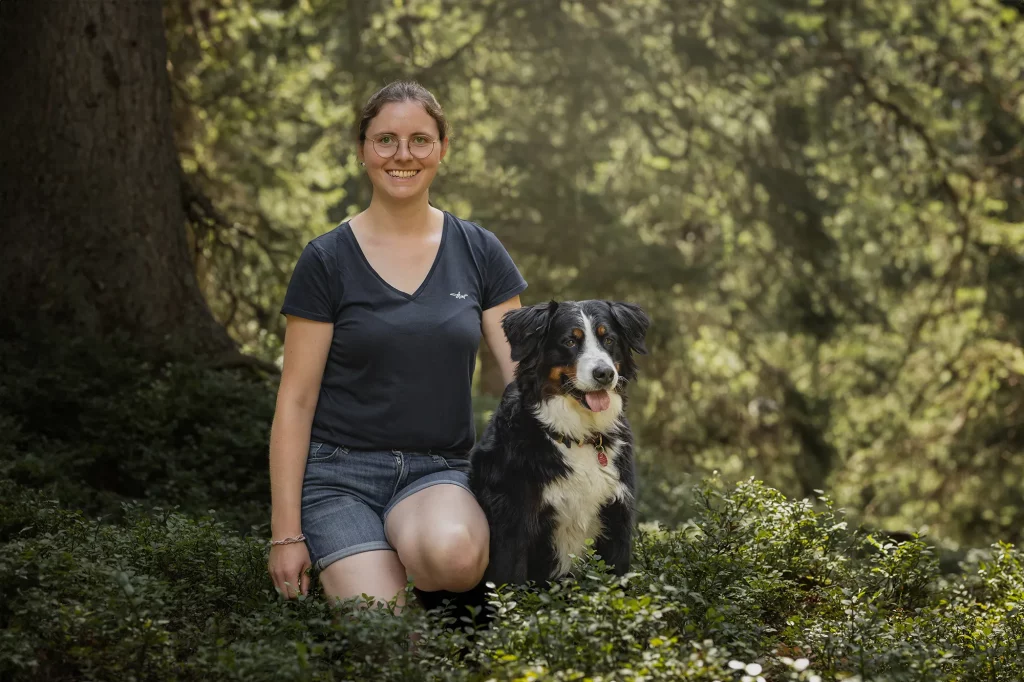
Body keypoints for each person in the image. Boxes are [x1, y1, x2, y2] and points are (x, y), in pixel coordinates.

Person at [266, 80, 527, 609]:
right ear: (363, 149)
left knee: (454, 555)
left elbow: (527, 382)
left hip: (439, 471)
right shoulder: (326, 260)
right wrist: (286, 534)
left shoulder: (480, 251)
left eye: (419, 140)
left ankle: (430, 587)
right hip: (340, 477)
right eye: (385, 140)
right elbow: (295, 403)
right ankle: (389, 592)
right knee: (382, 639)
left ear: (442, 148)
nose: (402, 155)